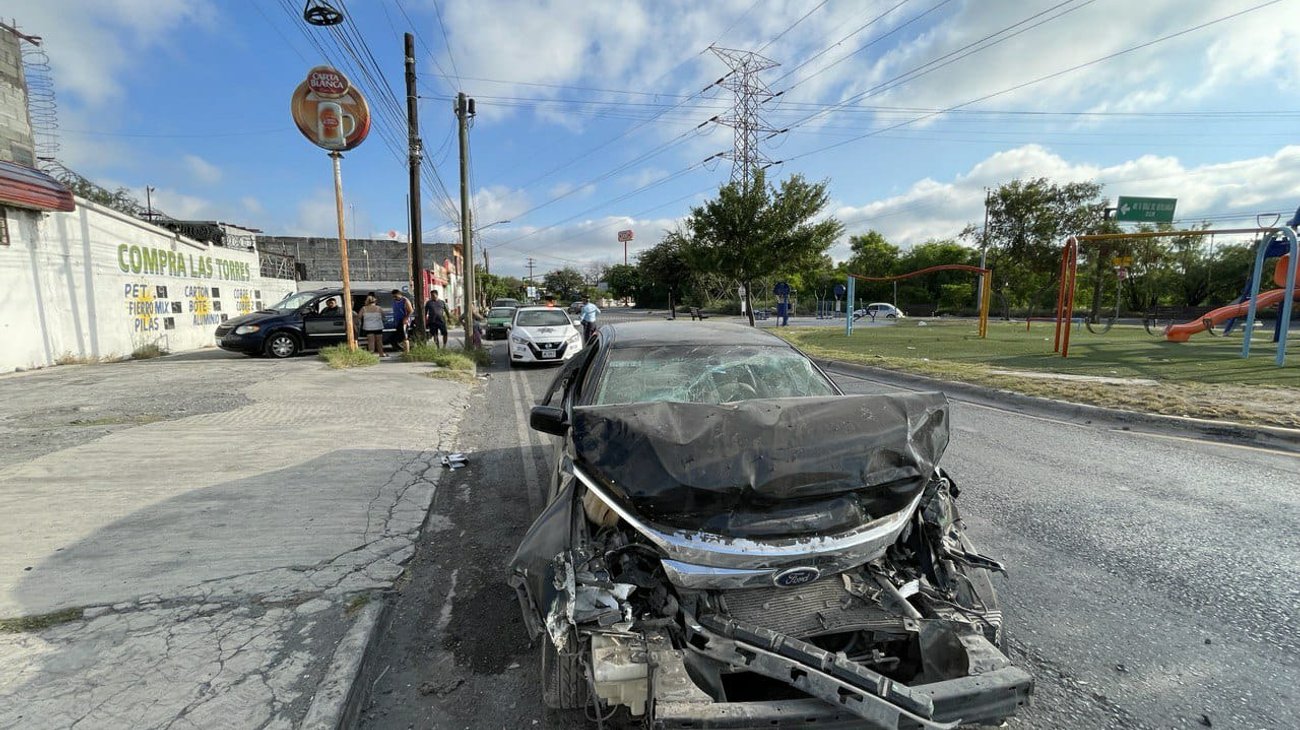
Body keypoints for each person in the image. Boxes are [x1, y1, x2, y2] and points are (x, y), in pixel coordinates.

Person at [391, 289, 413, 355]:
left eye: (396, 296)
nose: (395, 298)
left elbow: (411, 311)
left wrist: (406, 318)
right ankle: (403, 351)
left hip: (404, 321)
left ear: (399, 294)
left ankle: (407, 353)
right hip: (397, 320)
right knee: (397, 338)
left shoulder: (404, 300)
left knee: (404, 336)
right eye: (393, 296)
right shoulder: (394, 301)